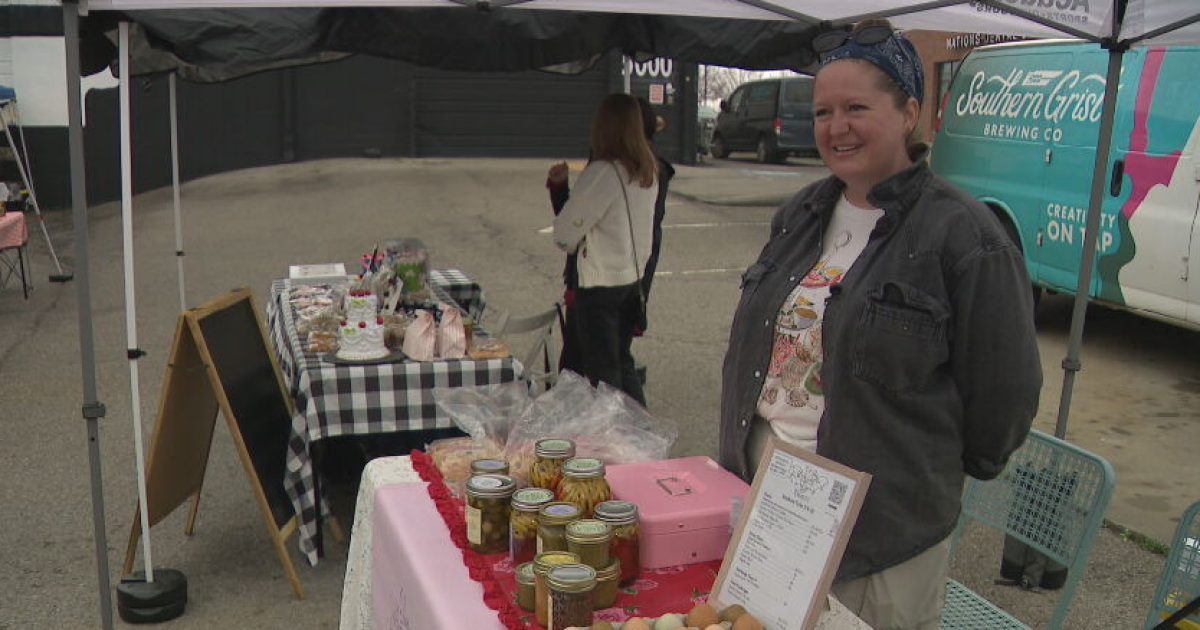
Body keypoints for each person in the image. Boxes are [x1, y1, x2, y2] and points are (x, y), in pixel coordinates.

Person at [718, 20, 1043, 630]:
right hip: (771, 496)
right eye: (822, 112)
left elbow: (1006, 393)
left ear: (909, 111)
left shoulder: (965, 236)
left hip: (883, 524)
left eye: (856, 107)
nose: (835, 127)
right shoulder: (800, 213)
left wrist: (924, 473)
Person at [549, 96, 674, 391]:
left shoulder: (603, 173)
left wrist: (561, 194)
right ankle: (638, 432)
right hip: (632, 282)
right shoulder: (649, 171)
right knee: (621, 362)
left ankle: (615, 434)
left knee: (602, 376)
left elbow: (564, 235)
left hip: (599, 287)